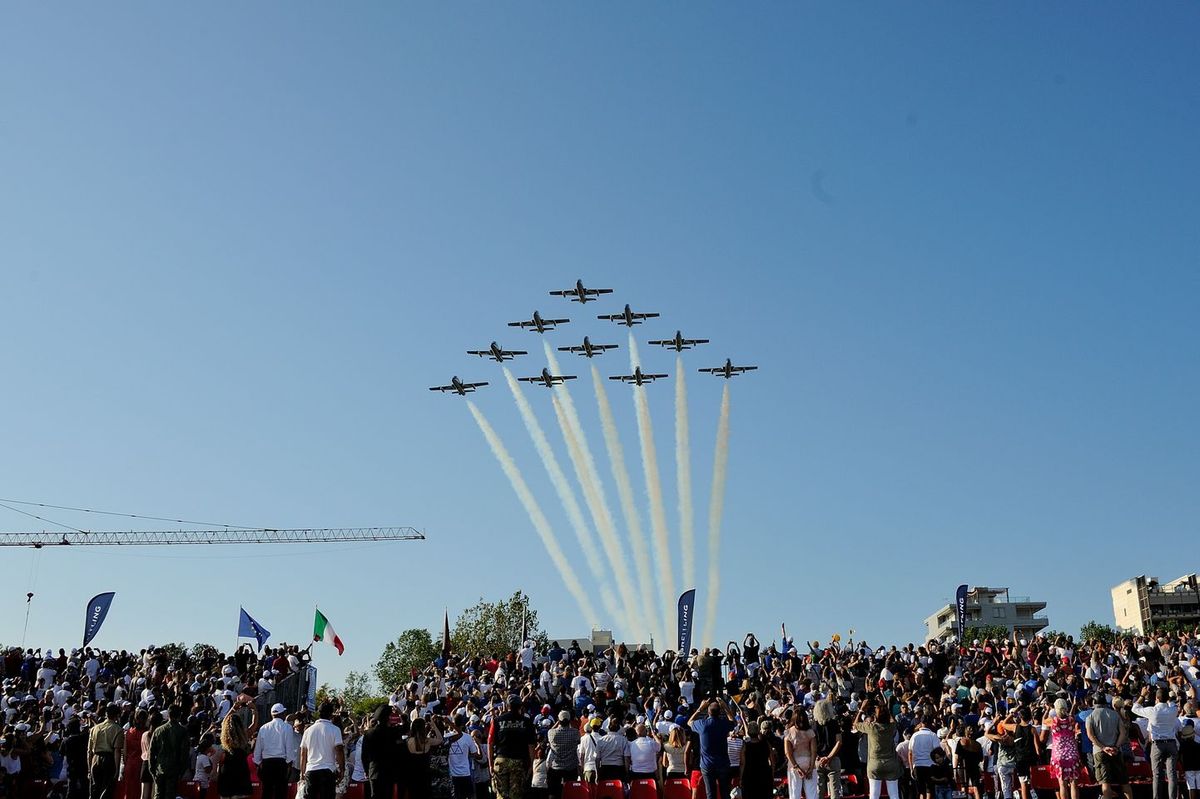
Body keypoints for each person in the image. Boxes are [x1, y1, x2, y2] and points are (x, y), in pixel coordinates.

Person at [1134, 687, 1182, 799]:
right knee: (1172, 774)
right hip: (1171, 743)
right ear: (1167, 699)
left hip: (1157, 745)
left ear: (1156, 698)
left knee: (1156, 775)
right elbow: (1174, 703)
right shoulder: (1173, 710)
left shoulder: (1152, 710)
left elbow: (1134, 708)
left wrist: (1142, 695)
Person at [689, 697, 737, 799]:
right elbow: (733, 721)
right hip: (723, 763)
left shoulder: (702, 724)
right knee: (725, 794)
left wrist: (700, 708)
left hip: (707, 765)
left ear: (708, 711)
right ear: (720, 712)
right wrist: (725, 707)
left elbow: (690, 722)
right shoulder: (723, 724)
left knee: (710, 794)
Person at [1086, 694, 1130, 799]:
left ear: (1093, 703)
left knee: (1105, 783)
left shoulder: (1090, 716)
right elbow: (1123, 733)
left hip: (1099, 752)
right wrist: (1116, 746)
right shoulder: (1115, 715)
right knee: (1124, 782)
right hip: (1116, 751)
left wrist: (1103, 747)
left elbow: (1090, 735)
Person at [491, 696, 536, 799]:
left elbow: (490, 742)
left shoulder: (497, 720)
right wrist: (531, 764)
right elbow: (531, 745)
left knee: (501, 795)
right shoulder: (527, 721)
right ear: (520, 706)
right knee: (515, 795)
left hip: (501, 759)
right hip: (519, 761)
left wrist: (490, 764)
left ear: (507, 706)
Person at [856, 700, 901, 799]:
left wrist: (861, 709)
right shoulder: (891, 727)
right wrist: (884, 708)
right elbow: (893, 721)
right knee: (894, 794)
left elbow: (855, 724)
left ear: (876, 717)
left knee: (874, 794)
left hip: (874, 764)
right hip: (891, 763)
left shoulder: (871, 727)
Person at [300, 701, 346, 799]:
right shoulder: (335, 729)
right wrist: (342, 769)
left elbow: (303, 753)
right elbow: (339, 750)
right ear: (331, 713)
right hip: (328, 770)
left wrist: (302, 771)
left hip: (311, 770)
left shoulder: (308, 730)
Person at [253, 703, 296, 799]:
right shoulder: (287, 727)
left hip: (267, 763)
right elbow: (289, 748)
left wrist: (258, 763)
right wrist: (289, 764)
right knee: (280, 793)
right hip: (281, 764)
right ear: (282, 713)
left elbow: (258, 748)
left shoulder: (263, 728)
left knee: (267, 792)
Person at [148, 705, 191, 799]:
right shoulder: (182, 731)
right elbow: (184, 754)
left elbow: (151, 752)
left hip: (160, 769)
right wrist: (181, 772)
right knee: (170, 795)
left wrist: (152, 770)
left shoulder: (158, 731)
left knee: (158, 795)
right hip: (174, 770)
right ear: (179, 715)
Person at [86, 704, 124, 799]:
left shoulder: (95, 728)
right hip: (109, 759)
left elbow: (89, 751)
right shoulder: (118, 729)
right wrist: (117, 770)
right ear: (117, 715)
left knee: (94, 789)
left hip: (95, 758)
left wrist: (89, 768)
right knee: (107, 789)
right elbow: (117, 751)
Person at [214, 712, 253, 799]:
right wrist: (254, 710)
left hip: (226, 781)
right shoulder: (243, 746)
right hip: (241, 782)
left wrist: (234, 708)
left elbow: (224, 722)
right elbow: (253, 725)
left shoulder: (223, 750)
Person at [405, 715, 445, 799]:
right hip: (425, 774)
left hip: (411, 775)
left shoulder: (408, 741)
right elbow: (440, 739)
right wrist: (433, 726)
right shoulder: (427, 741)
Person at [1048, 699, 1081, 799]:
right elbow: (1070, 717)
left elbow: (1043, 720)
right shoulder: (1072, 719)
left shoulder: (1053, 721)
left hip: (1058, 755)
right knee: (1074, 784)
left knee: (1062, 785)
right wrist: (1074, 706)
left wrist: (1047, 709)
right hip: (1072, 754)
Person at [813, 693, 843, 799]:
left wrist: (817, 756)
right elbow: (839, 742)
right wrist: (829, 757)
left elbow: (811, 744)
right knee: (835, 791)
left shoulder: (814, 725)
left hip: (818, 760)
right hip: (833, 759)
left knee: (818, 791)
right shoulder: (834, 723)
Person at [546, 710, 581, 798]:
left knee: (553, 793)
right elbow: (578, 741)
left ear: (559, 720)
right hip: (571, 766)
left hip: (556, 766)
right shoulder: (575, 732)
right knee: (570, 792)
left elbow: (551, 729)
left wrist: (557, 721)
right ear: (569, 720)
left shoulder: (551, 733)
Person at [448, 715, 483, 799]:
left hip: (452, 775)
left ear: (453, 722)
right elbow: (478, 757)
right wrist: (478, 746)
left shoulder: (448, 737)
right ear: (463, 724)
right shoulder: (468, 738)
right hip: (465, 774)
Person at [785, 708, 818, 799]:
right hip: (809, 764)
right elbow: (814, 751)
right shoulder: (810, 732)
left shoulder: (789, 732)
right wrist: (811, 768)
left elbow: (788, 753)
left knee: (794, 795)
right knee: (812, 795)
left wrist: (796, 767)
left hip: (794, 766)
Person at [740, 720, 777, 799]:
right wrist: (772, 775)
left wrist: (741, 778)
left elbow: (742, 763)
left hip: (749, 777)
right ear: (758, 731)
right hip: (764, 775)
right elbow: (772, 762)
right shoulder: (766, 744)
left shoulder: (745, 746)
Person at [907, 718, 939, 799]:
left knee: (921, 791)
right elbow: (937, 752)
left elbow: (910, 753)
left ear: (921, 723)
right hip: (930, 766)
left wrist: (911, 768)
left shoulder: (914, 735)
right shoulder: (933, 735)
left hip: (917, 766)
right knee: (929, 790)